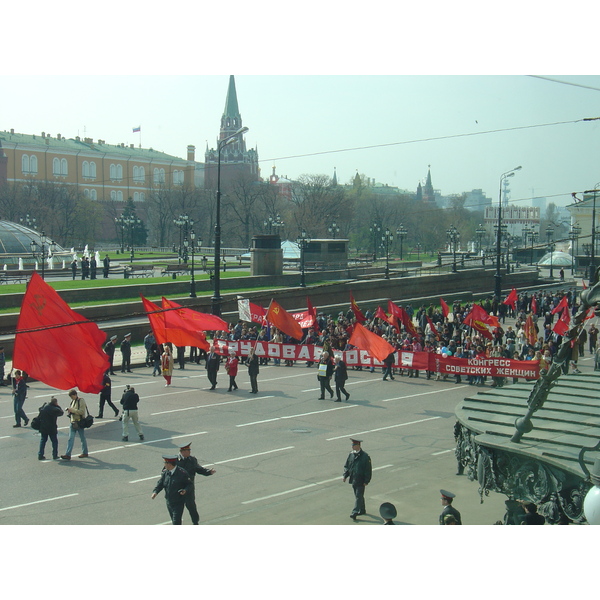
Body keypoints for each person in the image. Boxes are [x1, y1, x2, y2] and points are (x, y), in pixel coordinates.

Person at [176, 442, 216, 525]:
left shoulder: (192, 460)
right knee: (177, 511)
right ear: (182, 451)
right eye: (188, 450)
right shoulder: (175, 461)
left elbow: (198, 469)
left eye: (190, 450)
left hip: (189, 489)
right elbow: (165, 472)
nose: (190, 451)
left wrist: (208, 472)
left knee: (192, 508)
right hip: (177, 490)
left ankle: (195, 523)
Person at [151, 455, 192, 525]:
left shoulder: (182, 473)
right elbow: (160, 483)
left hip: (178, 502)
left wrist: (185, 490)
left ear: (169, 464)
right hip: (169, 501)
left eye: (165, 463)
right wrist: (155, 492)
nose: (164, 465)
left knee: (176, 522)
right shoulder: (165, 472)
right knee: (173, 520)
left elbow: (189, 484)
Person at [343, 438, 372, 520]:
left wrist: (367, 480)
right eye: (352, 445)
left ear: (358, 445)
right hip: (353, 479)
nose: (352, 447)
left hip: (361, 480)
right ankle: (362, 510)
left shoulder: (365, 456)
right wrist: (345, 476)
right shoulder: (351, 455)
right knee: (358, 496)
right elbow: (347, 466)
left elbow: (368, 469)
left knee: (358, 496)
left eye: (354, 445)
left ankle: (354, 512)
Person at [60, 389, 89, 460]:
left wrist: (72, 410)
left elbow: (82, 412)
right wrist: (70, 412)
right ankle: (68, 454)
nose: (71, 398)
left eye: (72, 396)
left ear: (75, 395)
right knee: (70, 439)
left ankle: (85, 452)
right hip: (73, 422)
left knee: (82, 438)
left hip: (79, 422)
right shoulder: (73, 401)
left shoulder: (81, 400)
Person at [37, 396, 64, 460]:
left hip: (43, 427)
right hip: (51, 427)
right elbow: (61, 412)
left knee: (43, 441)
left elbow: (39, 410)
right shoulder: (54, 409)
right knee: (54, 441)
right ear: (55, 403)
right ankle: (55, 455)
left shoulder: (45, 407)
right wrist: (58, 406)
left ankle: (40, 455)